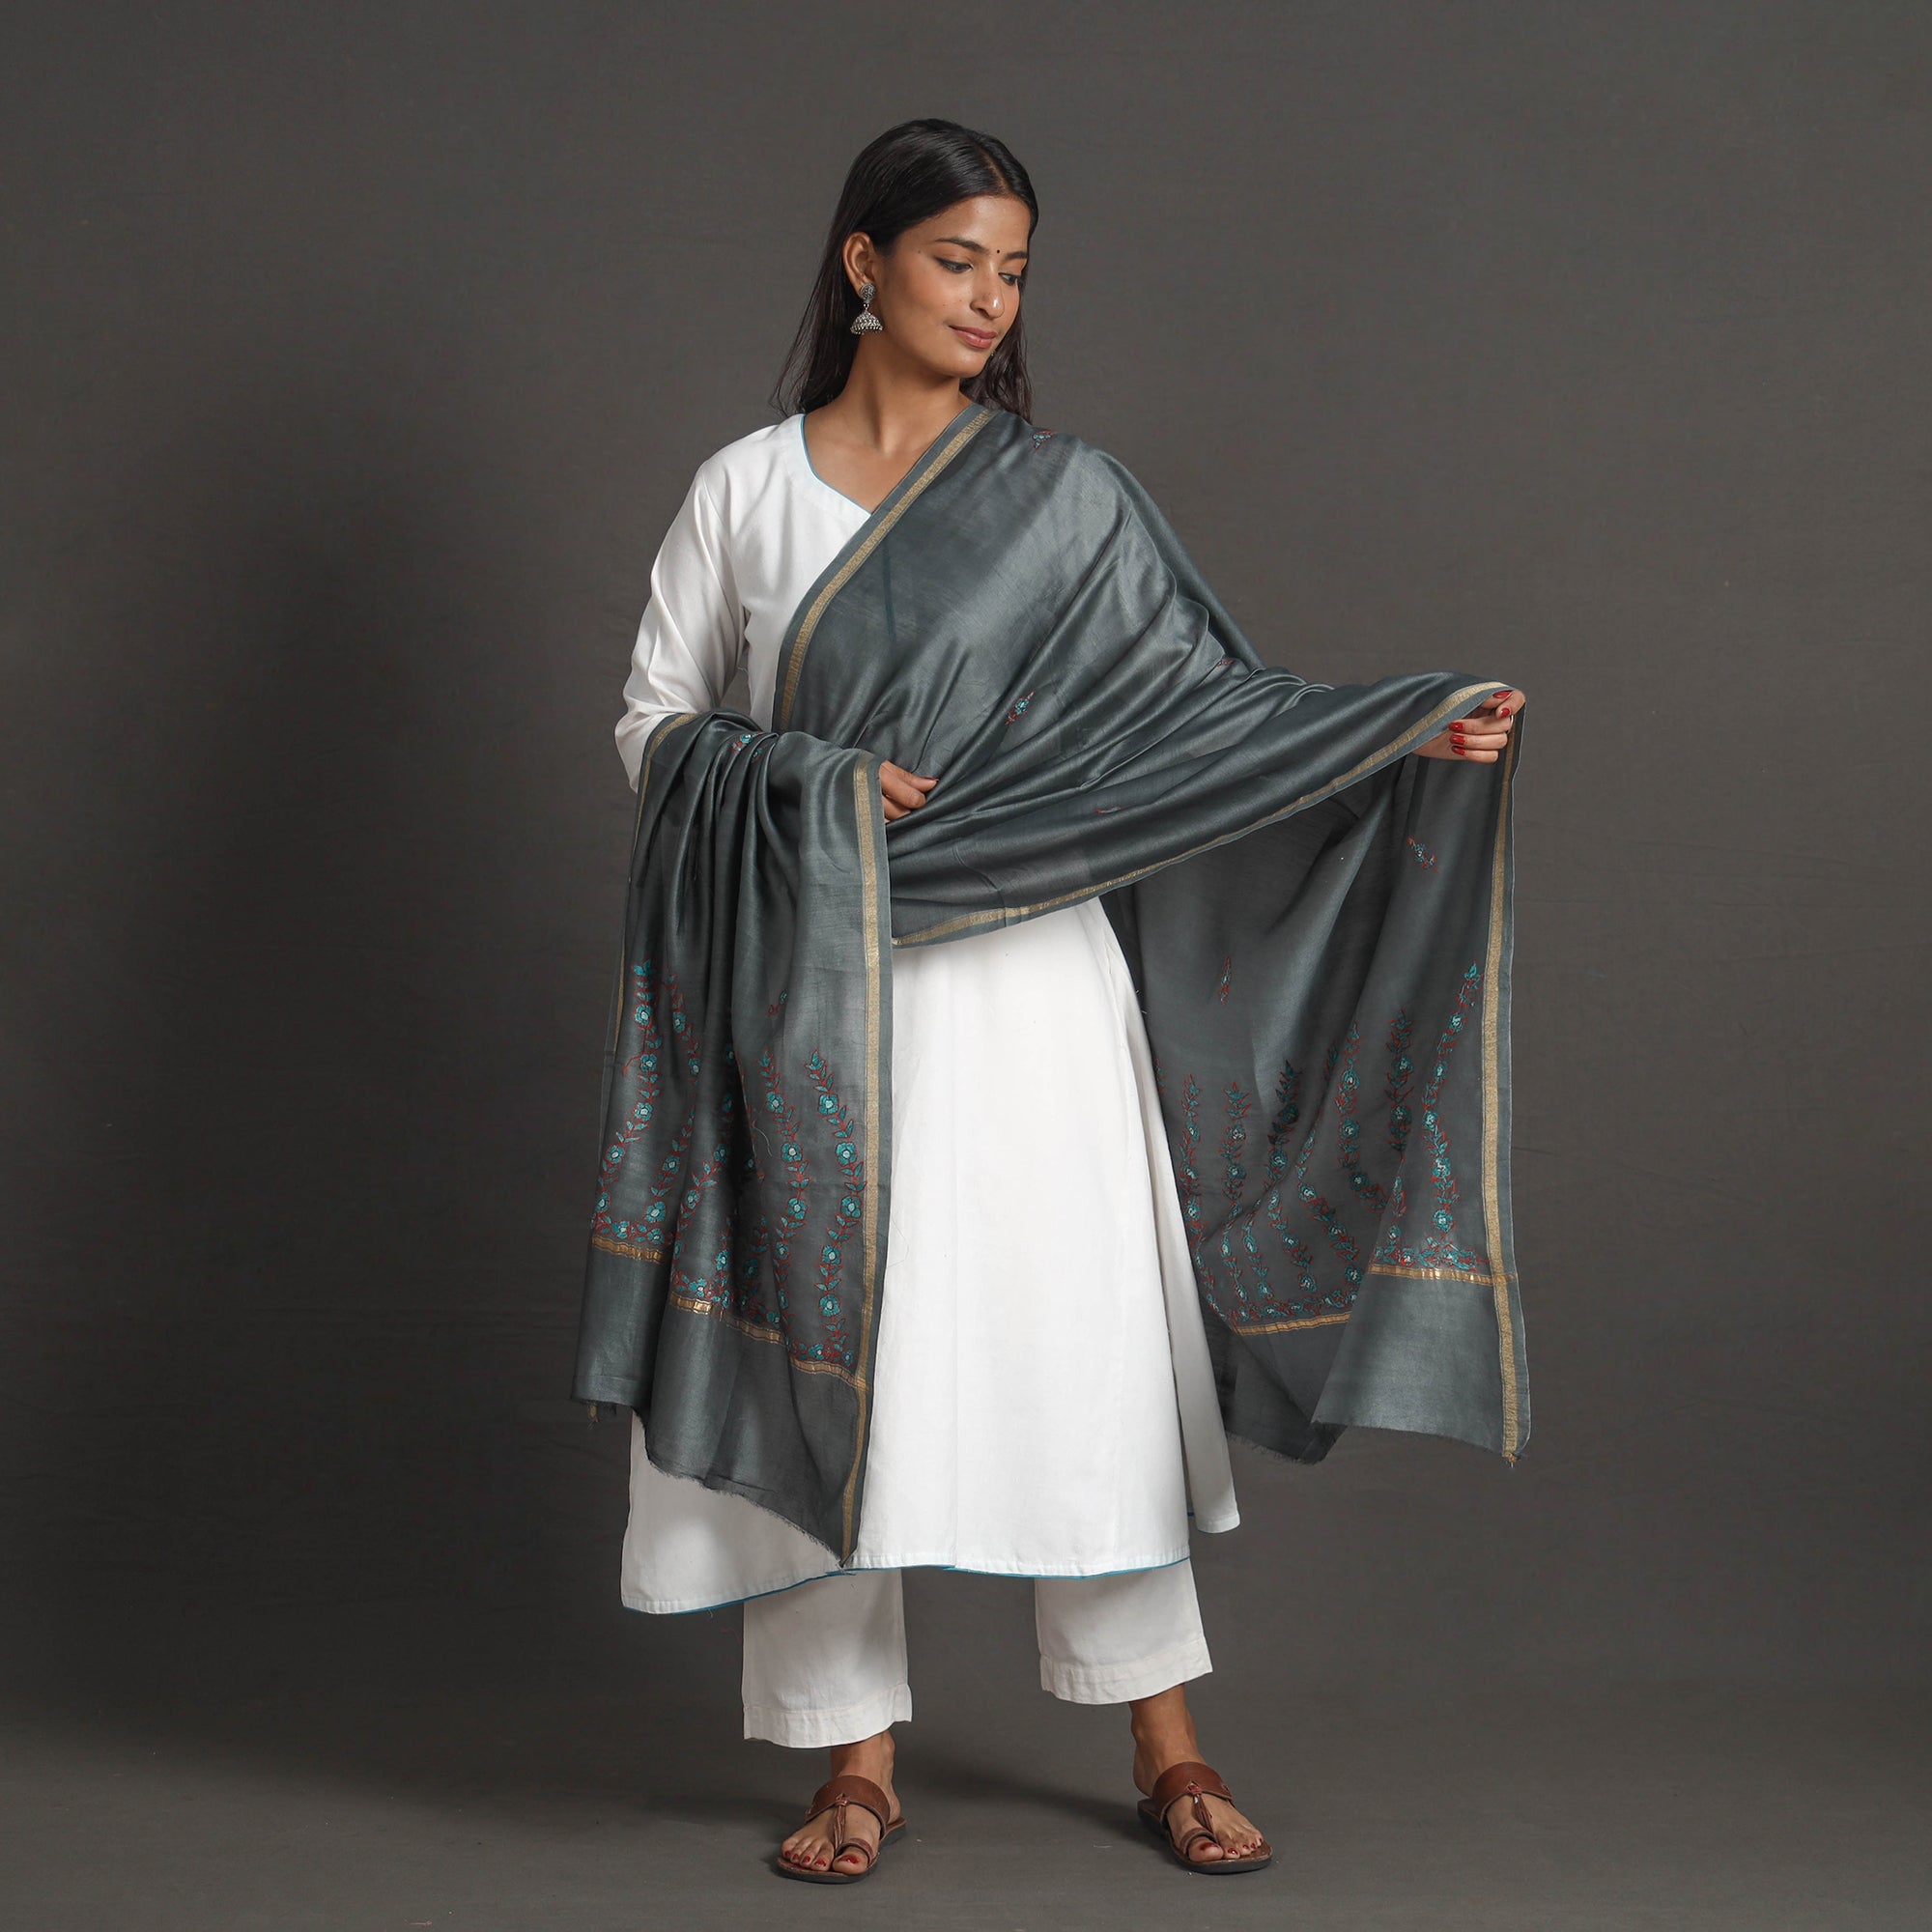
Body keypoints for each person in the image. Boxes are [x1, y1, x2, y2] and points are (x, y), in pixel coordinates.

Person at [574, 117, 1526, 1884]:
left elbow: (1206, 718)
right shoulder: (746, 490)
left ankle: (1164, 1735)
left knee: (1087, 1346)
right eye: (957, 262)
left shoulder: (1068, 501)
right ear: (864, 264)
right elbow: (653, 722)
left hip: (1032, 986)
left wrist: (1399, 734)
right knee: (829, 1338)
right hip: (821, 984)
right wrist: (810, 785)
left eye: (1013, 272)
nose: (990, 301)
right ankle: (851, 1756)